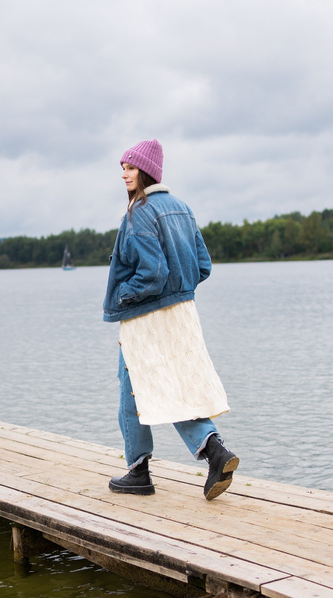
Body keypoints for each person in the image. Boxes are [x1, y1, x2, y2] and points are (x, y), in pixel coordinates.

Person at [103, 138, 239, 500]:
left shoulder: (140, 211)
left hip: (147, 317)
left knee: (132, 386)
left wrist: (121, 295)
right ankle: (215, 452)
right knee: (174, 387)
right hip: (182, 315)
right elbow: (203, 266)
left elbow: (152, 272)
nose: (124, 174)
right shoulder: (182, 208)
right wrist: (179, 291)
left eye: (130, 168)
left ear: (145, 171)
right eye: (122, 168)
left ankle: (139, 471)